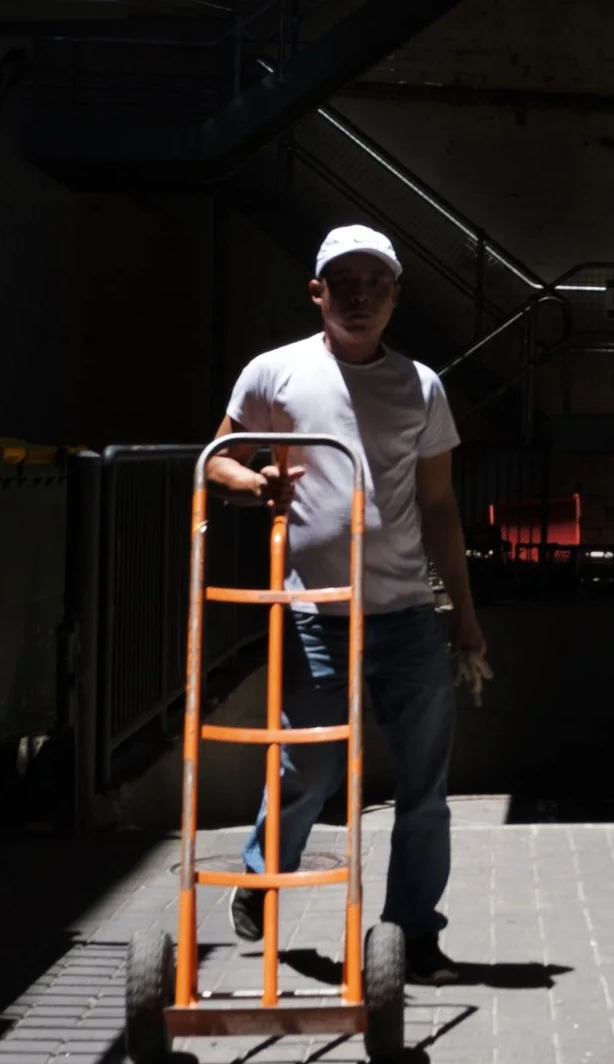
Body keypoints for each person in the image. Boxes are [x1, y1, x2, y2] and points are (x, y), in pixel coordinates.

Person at [207, 225, 487, 984]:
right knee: (311, 768)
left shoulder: (421, 386)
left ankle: (413, 935)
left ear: (395, 296)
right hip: (313, 612)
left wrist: (462, 613)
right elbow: (219, 458)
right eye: (345, 281)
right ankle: (263, 882)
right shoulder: (275, 373)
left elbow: (439, 507)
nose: (359, 295)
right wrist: (254, 483)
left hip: (403, 613)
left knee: (425, 786)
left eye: (375, 283)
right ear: (317, 291)